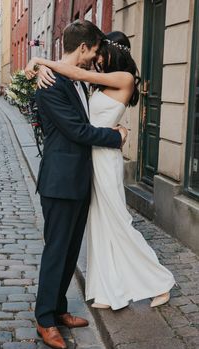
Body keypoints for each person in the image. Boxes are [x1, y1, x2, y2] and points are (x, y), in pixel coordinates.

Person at [25, 30, 175, 314]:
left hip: (105, 160)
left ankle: (159, 281)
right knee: (99, 226)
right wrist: (37, 67)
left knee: (118, 222)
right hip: (86, 163)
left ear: (112, 52)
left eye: (100, 53)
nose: (96, 59)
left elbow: (78, 76)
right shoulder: (95, 84)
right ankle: (105, 289)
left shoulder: (123, 78)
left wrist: (40, 60)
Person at [25, 21, 128, 349]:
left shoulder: (73, 79)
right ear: (82, 48)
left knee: (70, 252)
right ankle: (44, 319)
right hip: (60, 180)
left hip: (80, 179)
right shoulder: (51, 83)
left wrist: (37, 61)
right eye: (95, 50)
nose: (96, 57)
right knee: (56, 251)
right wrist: (116, 137)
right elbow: (77, 132)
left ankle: (58, 310)